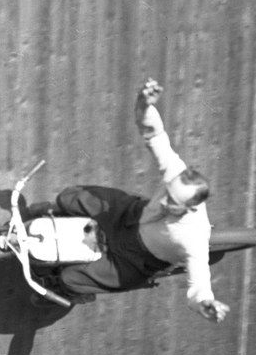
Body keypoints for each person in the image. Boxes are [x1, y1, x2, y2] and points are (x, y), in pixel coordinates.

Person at [24, 79, 230, 322]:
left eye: (173, 202)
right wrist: (144, 104)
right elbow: (155, 135)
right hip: (129, 214)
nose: (164, 201)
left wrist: (205, 304)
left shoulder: (194, 239)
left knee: (71, 278)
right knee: (69, 198)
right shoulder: (176, 172)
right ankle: (56, 213)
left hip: (133, 260)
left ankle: (64, 290)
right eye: (166, 192)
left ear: (192, 207)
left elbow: (199, 287)